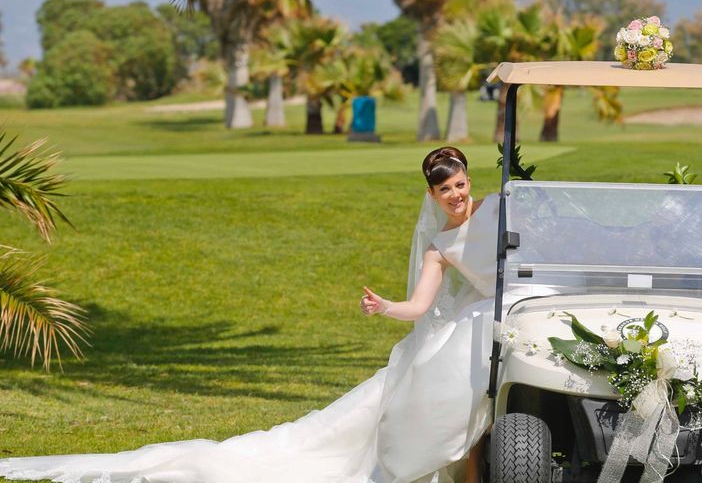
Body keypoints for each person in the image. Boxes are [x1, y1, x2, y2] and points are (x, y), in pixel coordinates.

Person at [0, 146, 500, 483]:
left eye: (459, 185)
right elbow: (419, 305)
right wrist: (385, 305)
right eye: (444, 192)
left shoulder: (501, 208)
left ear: (468, 180)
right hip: (482, 317)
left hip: (527, 299)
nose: (455, 196)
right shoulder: (439, 245)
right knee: (452, 376)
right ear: (432, 197)